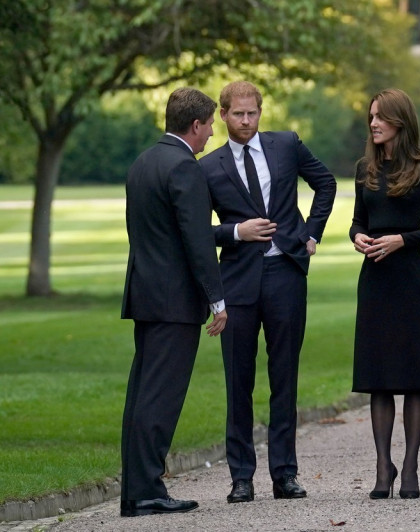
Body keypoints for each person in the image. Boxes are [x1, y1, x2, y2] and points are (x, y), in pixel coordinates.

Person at [200, 81, 336, 504]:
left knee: (285, 378)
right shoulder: (207, 167)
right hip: (237, 282)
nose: (245, 122)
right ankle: (241, 478)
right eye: (237, 114)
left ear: (261, 112)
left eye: (252, 114)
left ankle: (285, 474)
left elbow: (326, 183)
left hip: (285, 275)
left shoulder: (286, 145)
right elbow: (196, 231)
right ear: (222, 114)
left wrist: (311, 234)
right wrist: (236, 231)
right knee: (238, 382)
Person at [120, 87, 227, 517]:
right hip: (174, 300)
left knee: (142, 395)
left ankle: (136, 489)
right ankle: (147, 491)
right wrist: (217, 300)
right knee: (160, 398)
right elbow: (197, 240)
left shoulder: (143, 162)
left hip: (145, 292)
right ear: (196, 124)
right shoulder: (185, 167)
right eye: (209, 128)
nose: (210, 137)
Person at [350, 88, 420, 500]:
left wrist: (403, 241)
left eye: (380, 117)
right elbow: (357, 221)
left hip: (409, 277)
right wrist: (359, 238)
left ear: (400, 122)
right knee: (379, 377)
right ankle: (382, 466)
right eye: (371, 117)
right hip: (374, 278)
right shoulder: (365, 168)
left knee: (412, 376)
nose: (373, 123)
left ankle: (409, 466)